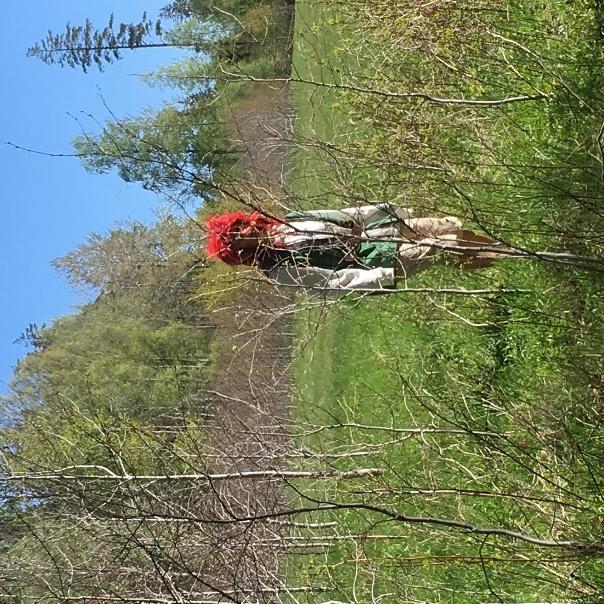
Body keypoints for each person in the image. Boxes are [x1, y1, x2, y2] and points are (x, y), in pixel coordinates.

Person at [205, 203, 502, 294]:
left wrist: (387, 209)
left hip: (382, 230)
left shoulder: (286, 223)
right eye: (236, 235)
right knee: (443, 247)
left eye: (237, 225)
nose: (244, 229)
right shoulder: (278, 271)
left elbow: (343, 216)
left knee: (449, 226)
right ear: (239, 251)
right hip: (376, 259)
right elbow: (330, 281)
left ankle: (501, 246)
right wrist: (379, 277)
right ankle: (511, 256)